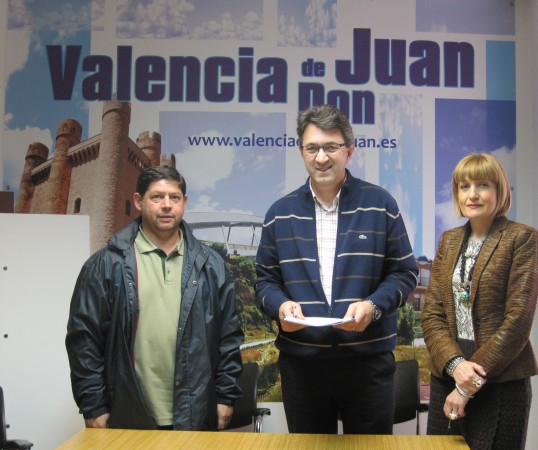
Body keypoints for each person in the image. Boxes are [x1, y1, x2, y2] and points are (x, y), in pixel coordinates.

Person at [255, 104, 419, 435]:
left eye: (331, 147)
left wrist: (373, 307)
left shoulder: (380, 204)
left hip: (367, 364)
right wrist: (279, 306)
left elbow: (405, 273)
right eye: (312, 147)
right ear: (301, 151)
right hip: (302, 367)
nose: (322, 157)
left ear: (349, 150)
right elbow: (265, 282)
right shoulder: (279, 214)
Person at [66, 165, 243, 431]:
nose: (166, 205)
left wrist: (226, 396)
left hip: (195, 412)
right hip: (127, 410)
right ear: (139, 201)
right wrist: (93, 404)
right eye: (157, 197)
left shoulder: (212, 266)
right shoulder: (105, 264)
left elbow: (229, 337)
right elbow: (84, 339)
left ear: (184, 203)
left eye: (174, 197)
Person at [422, 153, 538, 449]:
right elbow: (433, 315)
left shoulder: (521, 238)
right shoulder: (448, 241)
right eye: (464, 187)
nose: (472, 194)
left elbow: (518, 320)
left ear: (499, 191)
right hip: (447, 377)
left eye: (483, 185)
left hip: (499, 380)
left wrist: (468, 384)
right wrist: (455, 366)